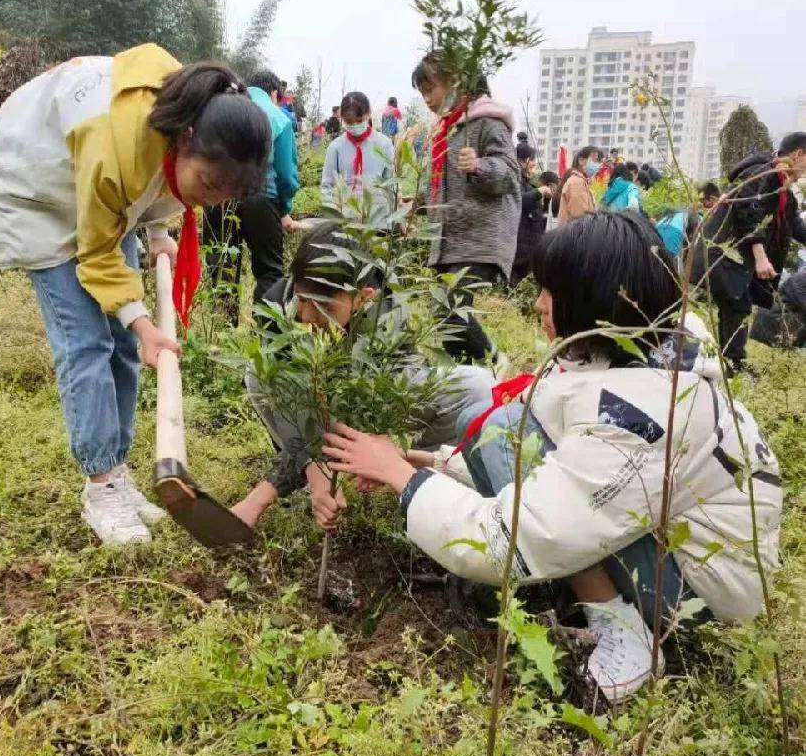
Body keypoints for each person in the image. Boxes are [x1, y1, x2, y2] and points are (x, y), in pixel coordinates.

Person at [322, 211, 782, 704]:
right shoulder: (635, 355)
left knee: (501, 431)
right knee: (497, 428)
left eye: (551, 292)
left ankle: (625, 636)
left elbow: (512, 536)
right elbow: (558, 458)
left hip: (697, 590)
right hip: (670, 545)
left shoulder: (642, 415)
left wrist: (399, 477)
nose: (539, 304)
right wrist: (413, 462)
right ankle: (596, 599)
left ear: (593, 300)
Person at [0, 44, 271, 545]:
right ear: (184, 141)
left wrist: (158, 228)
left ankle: (118, 474)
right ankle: (101, 485)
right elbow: (97, 254)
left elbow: (156, 183)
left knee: (122, 346)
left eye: (222, 196)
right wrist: (143, 324)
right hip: (41, 189)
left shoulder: (191, 113)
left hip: (102, 195)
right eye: (207, 185)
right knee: (89, 342)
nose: (208, 201)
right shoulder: (115, 139)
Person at [230, 221, 494, 529]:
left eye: (323, 307)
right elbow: (303, 412)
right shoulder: (278, 307)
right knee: (260, 374)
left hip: (369, 419)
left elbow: (394, 394)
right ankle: (308, 472)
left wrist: (381, 451)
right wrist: (314, 472)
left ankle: (413, 468)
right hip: (314, 423)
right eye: (303, 301)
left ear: (363, 297)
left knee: (477, 386)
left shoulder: (387, 309)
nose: (305, 316)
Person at [411, 51, 521, 363]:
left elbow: (509, 175)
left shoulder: (486, 123)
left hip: (479, 237)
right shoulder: (447, 130)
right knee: (445, 320)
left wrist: (479, 166)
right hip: (449, 239)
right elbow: (438, 184)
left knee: (450, 308)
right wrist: (416, 204)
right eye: (422, 94)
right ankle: (471, 376)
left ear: (456, 83)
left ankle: (497, 364)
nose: (427, 100)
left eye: (430, 89)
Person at [695, 131, 806, 374]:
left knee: (737, 306)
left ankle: (730, 362)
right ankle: (732, 364)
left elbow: (794, 225)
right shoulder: (761, 173)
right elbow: (746, 208)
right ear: (798, 154)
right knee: (737, 306)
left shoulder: (782, 187)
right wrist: (760, 255)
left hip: (735, 259)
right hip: (723, 253)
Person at [203, 69, 300, 305]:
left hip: (217, 197)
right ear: (275, 93)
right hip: (261, 196)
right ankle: (267, 335)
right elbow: (287, 175)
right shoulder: (279, 118)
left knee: (221, 264)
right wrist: (284, 208)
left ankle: (221, 331)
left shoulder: (223, 108)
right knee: (269, 272)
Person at [321, 91, 395, 213]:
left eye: (359, 120)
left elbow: (391, 183)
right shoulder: (336, 147)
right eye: (349, 122)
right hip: (346, 219)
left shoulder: (384, 144)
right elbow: (327, 185)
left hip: (378, 216)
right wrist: (334, 216)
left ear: (369, 113)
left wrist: (393, 216)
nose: (354, 125)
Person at [510, 133, 554, 284]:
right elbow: (518, 201)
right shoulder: (513, 180)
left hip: (530, 248)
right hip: (518, 250)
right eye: (532, 159)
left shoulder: (529, 182)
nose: (535, 163)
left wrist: (547, 199)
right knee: (514, 285)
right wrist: (539, 192)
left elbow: (539, 214)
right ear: (522, 161)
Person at [556, 146, 597, 223]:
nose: (597, 165)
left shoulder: (583, 181)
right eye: (594, 160)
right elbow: (580, 218)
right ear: (581, 160)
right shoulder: (576, 183)